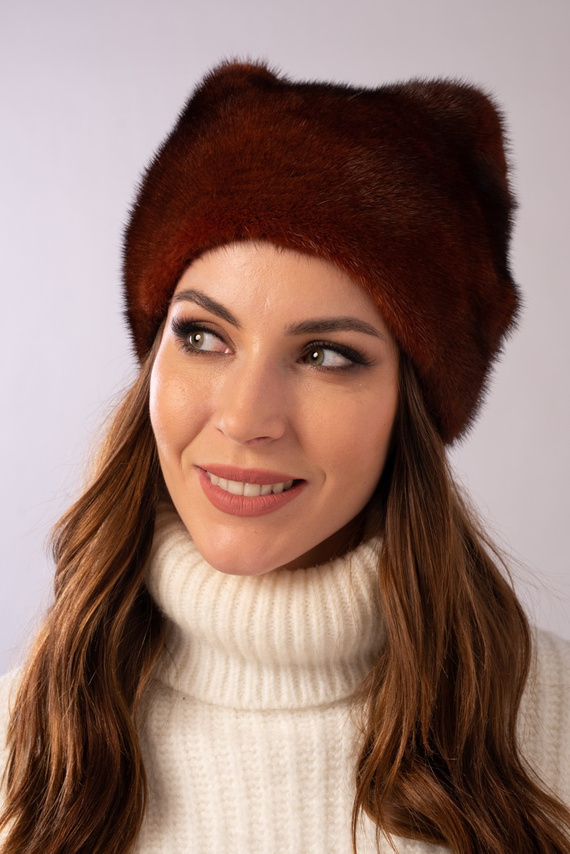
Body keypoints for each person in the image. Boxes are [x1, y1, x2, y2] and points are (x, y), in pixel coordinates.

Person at [0, 60, 569, 854]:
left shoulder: (552, 726)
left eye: (326, 355)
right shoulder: (19, 743)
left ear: (411, 405)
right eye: (202, 336)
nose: (244, 418)